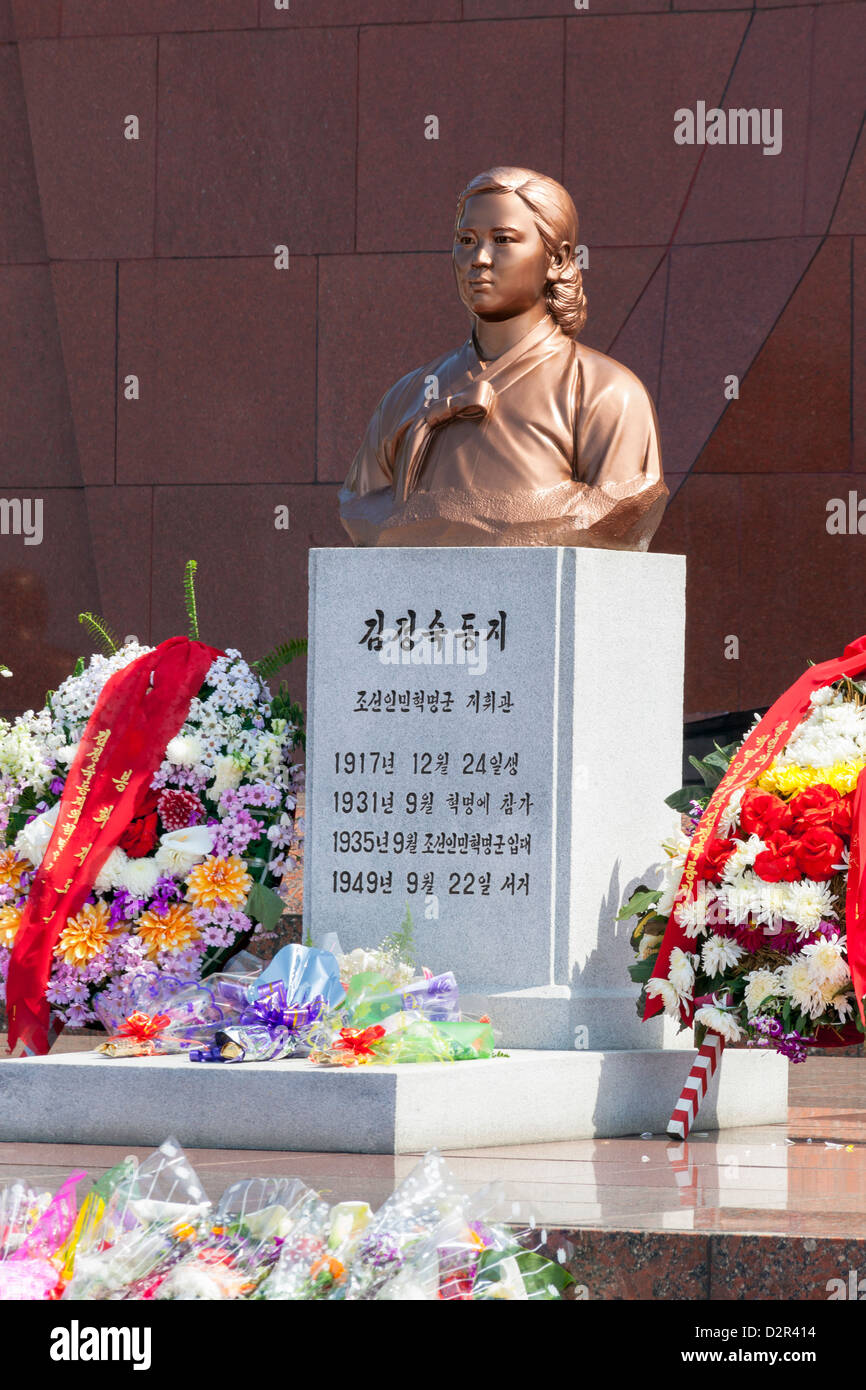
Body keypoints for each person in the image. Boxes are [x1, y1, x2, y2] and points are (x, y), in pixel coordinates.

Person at [339, 166, 668, 549]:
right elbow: (359, 508)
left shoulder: (606, 393)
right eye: (466, 239)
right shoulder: (408, 395)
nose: (478, 258)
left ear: (557, 260)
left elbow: (618, 512)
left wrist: (430, 519)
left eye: (503, 239)